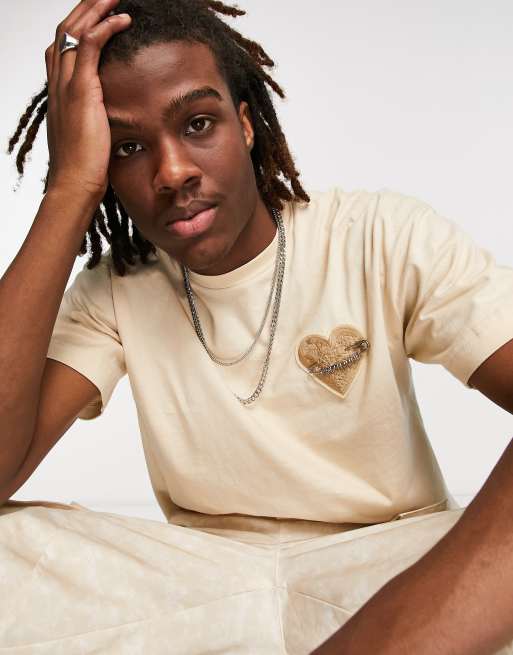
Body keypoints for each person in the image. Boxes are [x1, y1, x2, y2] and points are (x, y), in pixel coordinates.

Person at [1, 0, 513, 653]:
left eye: (197, 124)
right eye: (128, 146)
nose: (172, 172)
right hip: (206, 591)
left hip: (388, 573)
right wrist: (68, 187)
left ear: (244, 124)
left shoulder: (377, 236)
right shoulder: (114, 291)